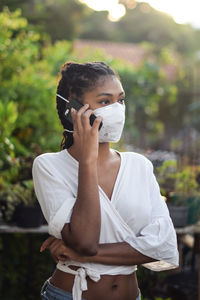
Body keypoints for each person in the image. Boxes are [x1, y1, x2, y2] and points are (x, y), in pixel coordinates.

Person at [32, 61, 179, 300]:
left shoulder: (139, 166)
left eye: (120, 100)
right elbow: (86, 241)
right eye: (104, 101)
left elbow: (162, 248)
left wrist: (80, 254)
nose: (117, 109)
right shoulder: (49, 166)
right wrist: (88, 160)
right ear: (73, 109)